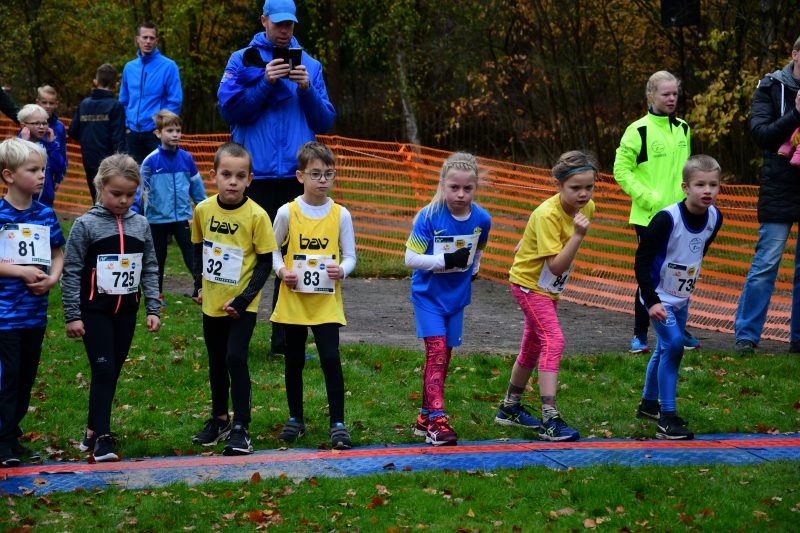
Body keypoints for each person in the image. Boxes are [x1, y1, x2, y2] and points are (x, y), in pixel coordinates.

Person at [217, 0, 336, 358]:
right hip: (253, 176)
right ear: (265, 21)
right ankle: (227, 333)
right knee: (244, 256)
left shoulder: (310, 65)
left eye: (291, 24)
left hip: (295, 178)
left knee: (292, 259)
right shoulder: (242, 60)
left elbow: (325, 122)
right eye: (279, 23)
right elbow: (231, 111)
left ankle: (284, 345)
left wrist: (306, 90)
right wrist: (266, 82)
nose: (285, 30)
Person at [61, 154, 161, 462]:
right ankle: (104, 439)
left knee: (112, 372)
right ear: (100, 187)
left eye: (131, 194)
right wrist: (73, 314)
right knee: (103, 370)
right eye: (116, 193)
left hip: (126, 312)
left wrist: (153, 307)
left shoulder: (141, 224)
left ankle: (92, 429)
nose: (123, 200)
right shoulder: (85, 225)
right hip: (94, 311)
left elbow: (150, 267)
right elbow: (72, 270)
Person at [498, 151, 595, 442]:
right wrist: (577, 236)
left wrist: (527, 240)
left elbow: (550, 245)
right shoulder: (547, 214)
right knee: (554, 339)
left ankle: (509, 408)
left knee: (532, 345)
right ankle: (550, 420)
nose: (583, 194)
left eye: (589, 187)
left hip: (549, 287)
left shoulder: (587, 207)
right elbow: (555, 264)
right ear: (558, 185)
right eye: (575, 188)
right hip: (529, 286)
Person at [190, 142, 278, 456]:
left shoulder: (257, 215)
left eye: (240, 176)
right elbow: (198, 248)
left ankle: (241, 426)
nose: (232, 181)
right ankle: (219, 419)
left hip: (242, 305)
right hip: (212, 302)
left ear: (249, 180)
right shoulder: (203, 210)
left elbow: (266, 262)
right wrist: (197, 284)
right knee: (215, 361)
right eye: (226, 174)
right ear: (213, 175)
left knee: (235, 358)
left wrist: (244, 299)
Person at [270, 142, 356, 450]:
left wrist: (341, 271)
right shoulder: (287, 212)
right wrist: (282, 272)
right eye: (315, 174)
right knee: (293, 360)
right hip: (293, 300)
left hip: (325, 301)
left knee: (330, 358)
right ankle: (296, 419)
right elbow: (273, 251)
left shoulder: (340, 214)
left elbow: (350, 256)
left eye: (328, 174)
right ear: (300, 176)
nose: (323, 180)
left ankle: (338, 423)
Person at [404, 152, 492, 447]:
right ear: (442, 184)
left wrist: (472, 269)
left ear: (476, 187)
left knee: (444, 357)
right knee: (437, 352)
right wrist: (443, 260)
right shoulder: (429, 216)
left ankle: (423, 416)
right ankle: (437, 423)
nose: (461, 194)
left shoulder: (482, 219)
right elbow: (410, 258)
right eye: (454, 187)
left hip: (457, 299)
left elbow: (478, 251)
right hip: (428, 296)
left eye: (468, 189)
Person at [634, 155, 723, 439]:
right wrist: (652, 301)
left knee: (663, 349)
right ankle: (667, 419)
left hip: (681, 297)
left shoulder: (715, 217)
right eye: (700, 184)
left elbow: (698, 250)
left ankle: (649, 404)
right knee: (673, 346)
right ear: (685, 187)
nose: (707, 191)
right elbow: (641, 261)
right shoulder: (666, 219)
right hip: (657, 296)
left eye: (714, 184)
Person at [614, 71, 698, 354]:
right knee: (650, 275)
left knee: (678, 273)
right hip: (649, 216)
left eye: (675, 93)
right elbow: (621, 170)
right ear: (650, 96)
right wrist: (649, 198)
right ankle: (639, 335)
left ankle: (676, 328)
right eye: (666, 94)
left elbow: (688, 170)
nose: (672, 98)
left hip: (681, 216)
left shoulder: (684, 128)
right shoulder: (638, 130)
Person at [0, 138, 66, 467]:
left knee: (25, 378)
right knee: (6, 377)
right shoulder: (0, 214)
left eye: (44, 169)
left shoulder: (45, 214)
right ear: (9, 175)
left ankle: (11, 435)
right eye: (34, 170)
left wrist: (53, 278)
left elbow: (57, 253)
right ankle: (2, 441)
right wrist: (22, 272)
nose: (42, 175)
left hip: (34, 315)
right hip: (4, 316)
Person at [735, 36, 800, 354]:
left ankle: (798, 339)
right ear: (795, 54)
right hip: (780, 188)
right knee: (766, 264)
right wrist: (797, 114)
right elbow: (761, 135)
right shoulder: (770, 86)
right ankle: (746, 336)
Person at [137, 109, 206, 299]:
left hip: (181, 216)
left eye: (178, 130)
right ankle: (156, 294)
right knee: (158, 256)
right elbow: (140, 191)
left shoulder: (187, 158)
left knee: (190, 252)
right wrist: (134, 212)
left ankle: (199, 289)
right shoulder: (150, 161)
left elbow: (197, 187)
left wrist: (206, 209)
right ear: (158, 133)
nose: (175, 134)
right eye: (169, 130)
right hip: (157, 218)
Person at [120, 22, 182, 165]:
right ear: (138, 39)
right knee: (135, 179)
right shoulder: (129, 68)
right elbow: (124, 100)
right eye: (145, 37)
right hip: (133, 134)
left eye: (152, 38)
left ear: (156, 41)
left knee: (161, 177)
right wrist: (127, 126)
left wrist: (161, 127)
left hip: (156, 134)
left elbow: (175, 102)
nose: (148, 41)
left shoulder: (169, 66)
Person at [68, 63, 127, 203]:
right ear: (116, 85)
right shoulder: (116, 106)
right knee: (111, 201)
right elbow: (118, 139)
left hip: (89, 161)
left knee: (97, 200)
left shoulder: (84, 104)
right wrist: (124, 163)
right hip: (111, 165)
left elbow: (72, 132)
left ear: (95, 82)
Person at [17, 104, 66, 208]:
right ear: (23, 126)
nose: (42, 127)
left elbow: (59, 167)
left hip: (45, 201)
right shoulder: (16, 146)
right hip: (22, 201)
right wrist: (25, 143)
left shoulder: (48, 146)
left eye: (44, 123)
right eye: (36, 123)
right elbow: (18, 168)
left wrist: (52, 145)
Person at [35, 86, 68, 181]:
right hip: (31, 173)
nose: (48, 106)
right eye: (44, 102)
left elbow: (62, 152)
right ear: (38, 103)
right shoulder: (30, 123)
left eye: (51, 103)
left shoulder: (59, 127)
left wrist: (58, 178)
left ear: (56, 104)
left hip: (50, 176)